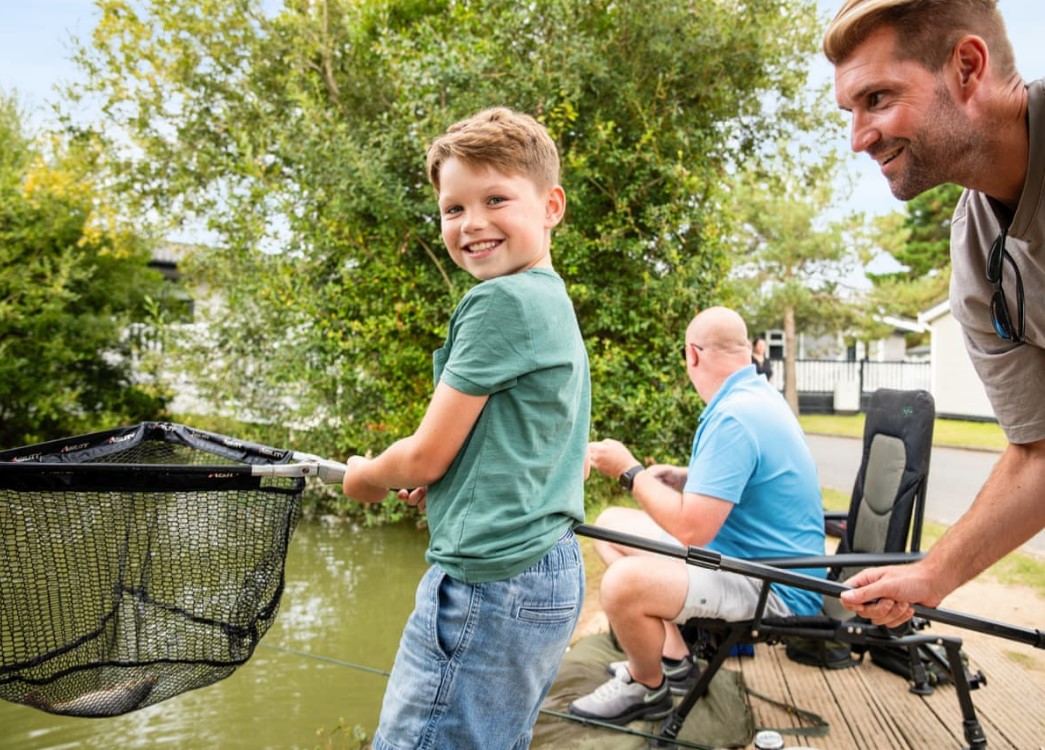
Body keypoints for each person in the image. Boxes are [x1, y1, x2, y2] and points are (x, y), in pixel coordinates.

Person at [340, 107, 590, 749]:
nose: (472, 223)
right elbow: (527, 440)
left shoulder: (499, 301)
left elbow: (425, 455)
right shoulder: (549, 297)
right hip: (548, 567)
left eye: (495, 199)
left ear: (551, 206)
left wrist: (367, 475)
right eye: (453, 209)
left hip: (491, 583)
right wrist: (455, 483)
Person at [825, 0, 1045, 628]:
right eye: (850, 112)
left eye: (877, 99)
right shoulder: (976, 256)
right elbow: (1038, 452)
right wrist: (934, 573)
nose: (859, 138)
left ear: (967, 67)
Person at [568, 306, 825, 725]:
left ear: (692, 354)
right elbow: (751, 476)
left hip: (771, 583)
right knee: (610, 524)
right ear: (746, 350)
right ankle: (674, 660)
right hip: (755, 560)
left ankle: (646, 687)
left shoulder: (733, 417)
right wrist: (688, 477)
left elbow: (693, 529)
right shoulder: (756, 396)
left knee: (622, 585)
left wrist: (629, 471)